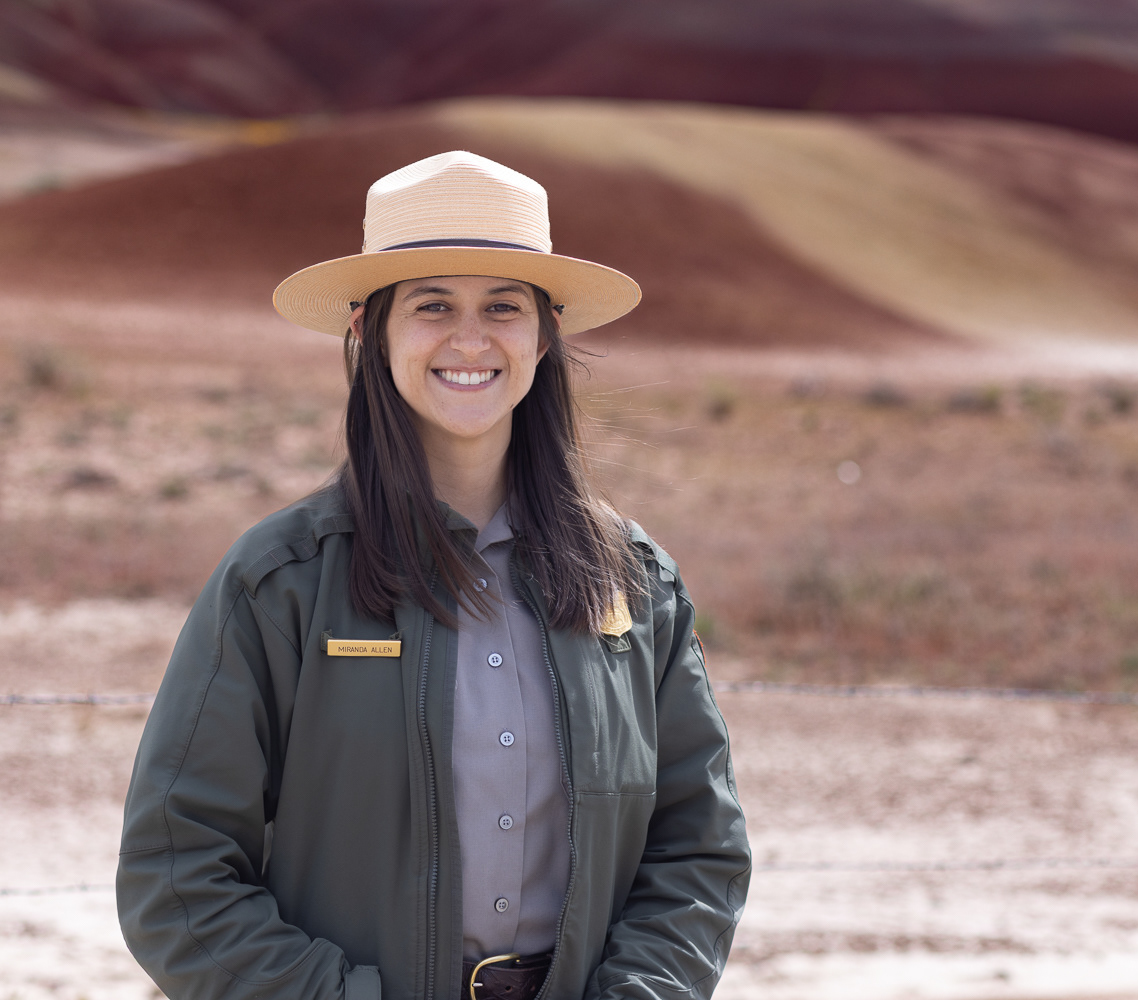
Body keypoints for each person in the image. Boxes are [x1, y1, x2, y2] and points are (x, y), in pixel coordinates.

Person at [117, 151, 750, 1000]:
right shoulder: (280, 583)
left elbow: (697, 849)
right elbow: (175, 872)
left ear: (545, 333)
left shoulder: (635, 587)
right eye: (431, 306)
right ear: (366, 330)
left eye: (502, 306)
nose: (470, 338)